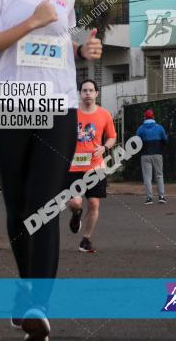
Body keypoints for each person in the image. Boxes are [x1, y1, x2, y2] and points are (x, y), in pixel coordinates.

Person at [0, 0, 103, 340]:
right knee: (18, 210)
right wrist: (31, 21)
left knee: (44, 205)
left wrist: (86, 48)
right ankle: (26, 294)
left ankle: (36, 305)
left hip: (58, 108)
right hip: (12, 105)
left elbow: (65, 45)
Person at [66, 79, 116, 253]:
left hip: (96, 166)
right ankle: (75, 214)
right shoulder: (71, 114)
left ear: (96, 93)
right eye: (84, 90)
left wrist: (104, 147)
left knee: (94, 203)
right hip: (73, 166)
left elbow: (112, 137)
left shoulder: (104, 114)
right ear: (80, 93)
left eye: (91, 90)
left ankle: (85, 240)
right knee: (75, 202)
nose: (88, 93)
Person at [136, 110, 167, 205]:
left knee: (147, 177)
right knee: (159, 175)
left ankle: (149, 198)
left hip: (145, 155)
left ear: (144, 118)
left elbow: (136, 141)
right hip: (157, 154)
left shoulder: (140, 128)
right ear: (153, 117)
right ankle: (161, 197)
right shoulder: (159, 127)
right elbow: (165, 141)